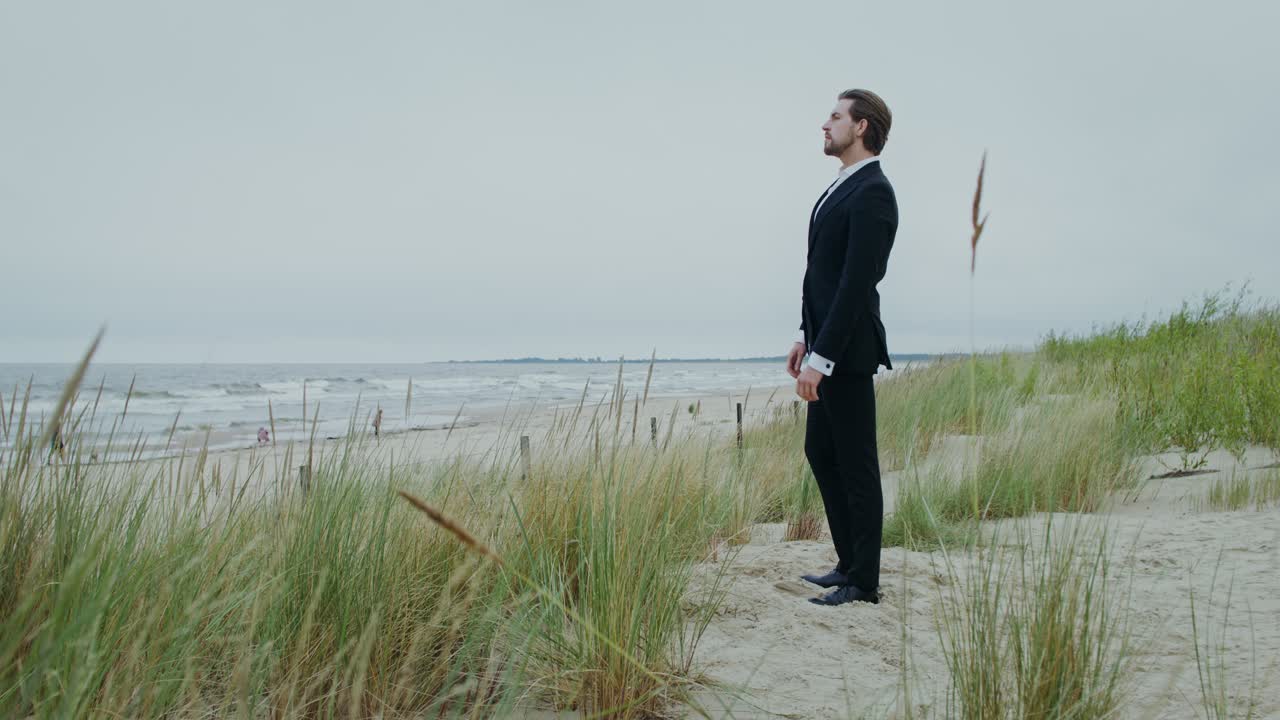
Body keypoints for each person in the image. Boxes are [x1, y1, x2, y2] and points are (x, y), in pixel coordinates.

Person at [786, 88, 898, 607]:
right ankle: (848, 563)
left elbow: (857, 283)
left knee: (856, 463)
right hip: (825, 345)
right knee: (821, 451)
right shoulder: (839, 189)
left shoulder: (874, 191)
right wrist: (805, 337)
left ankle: (865, 581)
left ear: (863, 127)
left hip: (848, 355)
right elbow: (823, 276)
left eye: (835, 116)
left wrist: (823, 358)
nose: (824, 124)